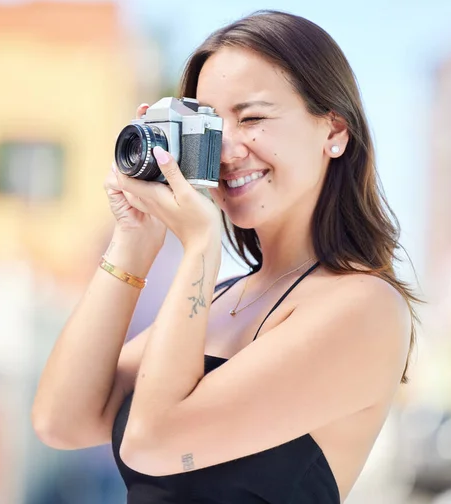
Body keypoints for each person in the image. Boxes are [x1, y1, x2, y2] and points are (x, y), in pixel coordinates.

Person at [31, 10, 420, 503]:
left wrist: (198, 247)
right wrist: (133, 242)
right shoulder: (219, 301)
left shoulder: (364, 306)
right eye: (210, 126)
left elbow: (154, 444)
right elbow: (60, 422)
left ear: (334, 131)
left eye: (253, 118)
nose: (227, 150)